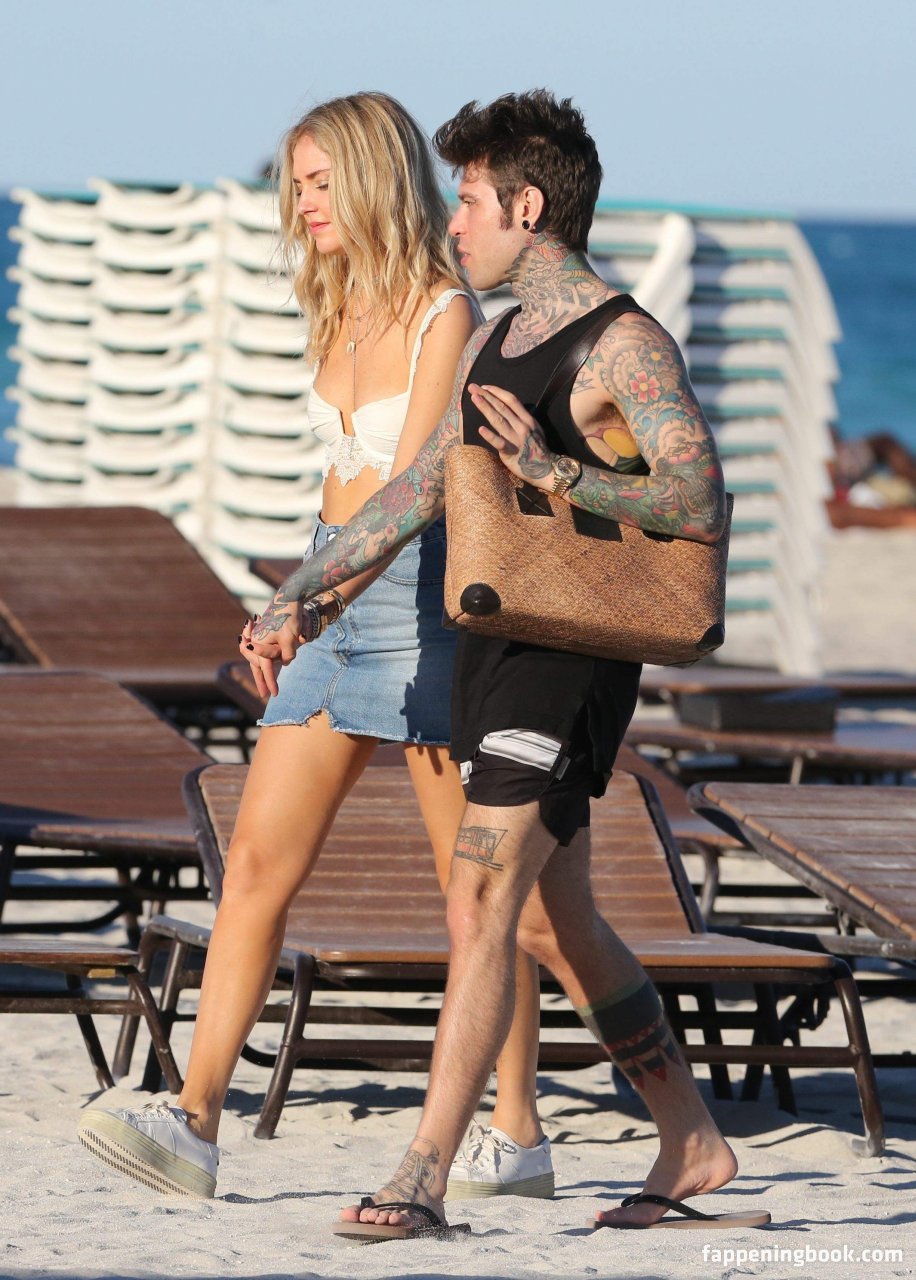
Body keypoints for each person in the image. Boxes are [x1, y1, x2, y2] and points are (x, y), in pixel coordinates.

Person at [245, 90, 767, 1239]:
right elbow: (419, 485)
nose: (453, 222)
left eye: (470, 200)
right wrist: (302, 595)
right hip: (491, 645)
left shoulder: (623, 343)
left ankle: (422, 1172)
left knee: (479, 894)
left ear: (527, 207)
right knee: (552, 920)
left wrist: (556, 472)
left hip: (571, 661)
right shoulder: (495, 338)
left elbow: (697, 497)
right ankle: (691, 1138)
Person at [78, 91, 554, 1203]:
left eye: (321, 181)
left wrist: (305, 601)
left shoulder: (446, 313)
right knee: (254, 864)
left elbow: (411, 494)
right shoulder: (338, 302)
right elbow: (339, 496)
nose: (302, 203)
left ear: (376, 176)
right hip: (328, 606)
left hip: (422, 614)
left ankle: (516, 1129)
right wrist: (298, 600)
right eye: (295, 184)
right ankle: (195, 1119)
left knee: (475, 897)